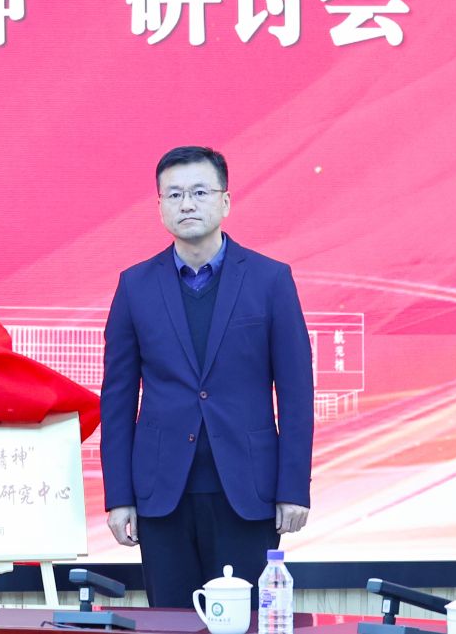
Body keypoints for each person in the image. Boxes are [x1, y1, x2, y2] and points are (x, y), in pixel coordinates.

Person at [100, 145, 313, 609]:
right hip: (162, 494)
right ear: (160, 207)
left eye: (200, 192)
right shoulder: (135, 285)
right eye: (174, 194)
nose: (187, 204)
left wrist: (293, 488)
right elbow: (116, 401)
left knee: (243, 621)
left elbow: (297, 395)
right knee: (172, 620)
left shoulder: (270, 280)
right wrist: (119, 496)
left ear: (225, 201)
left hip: (248, 490)